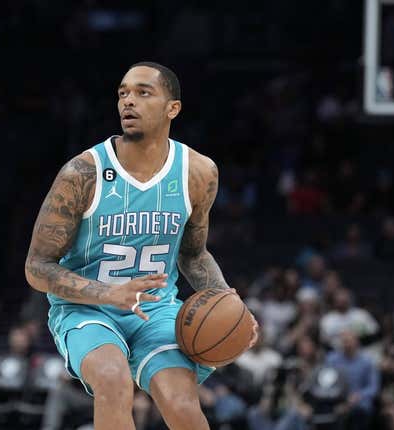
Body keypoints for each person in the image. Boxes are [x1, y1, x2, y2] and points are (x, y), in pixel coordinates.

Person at [25, 61, 258, 430]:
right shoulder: (82, 173)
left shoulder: (198, 172)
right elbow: (37, 267)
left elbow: (194, 253)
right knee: (113, 379)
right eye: (123, 93)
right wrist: (109, 294)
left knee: (182, 404)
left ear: (172, 108)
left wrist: (230, 303)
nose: (127, 102)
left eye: (142, 92)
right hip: (88, 309)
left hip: (156, 309)